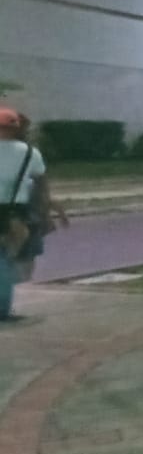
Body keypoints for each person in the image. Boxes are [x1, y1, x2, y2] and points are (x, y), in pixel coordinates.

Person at [0, 107, 48, 322]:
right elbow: (41, 186)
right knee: (6, 259)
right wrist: (43, 213)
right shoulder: (30, 153)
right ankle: (3, 308)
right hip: (14, 213)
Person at [13, 114, 66, 281]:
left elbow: (42, 191)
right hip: (26, 217)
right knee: (24, 263)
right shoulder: (29, 155)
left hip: (23, 216)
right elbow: (42, 190)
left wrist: (56, 211)